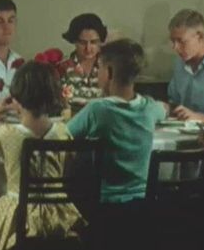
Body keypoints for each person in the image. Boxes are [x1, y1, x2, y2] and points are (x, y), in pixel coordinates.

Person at [0, 62, 84, 250]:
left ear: (16, 97)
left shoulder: (7, 134)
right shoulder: (63, 132)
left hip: (19, 214)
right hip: (58, 214)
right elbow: (70, 167)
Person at [67, 39, 167, 249]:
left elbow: (63, 134)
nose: (97, 73)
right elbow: (164, 109)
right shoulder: (149, 107)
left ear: (109, 72)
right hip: (142, 204)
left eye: (99, 68)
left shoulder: (98, 110)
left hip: (103, 204)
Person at [61, 13, 107, 107]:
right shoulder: (63, 68)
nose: (88, 48)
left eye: (93, 42)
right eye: (83, 43)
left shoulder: (107, 67)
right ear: (74, 41)